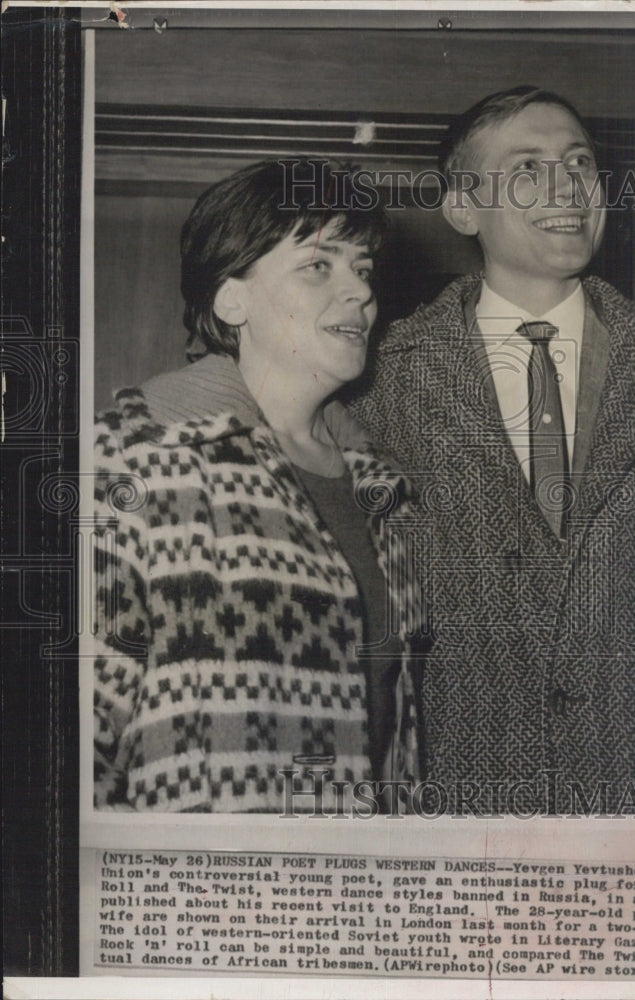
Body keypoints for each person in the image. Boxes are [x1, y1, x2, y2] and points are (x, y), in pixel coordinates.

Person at [351, 86, 635, 816]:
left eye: (579, 163)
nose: (567, 187)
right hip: (464, 826)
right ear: (463, 207)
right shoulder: (382, 384)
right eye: (528, 168)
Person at [92, 159, 421, 813]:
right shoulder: (139, 453)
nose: (359, 292)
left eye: (363, 270)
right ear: (230, 297)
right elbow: (70, 745)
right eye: (318, 265)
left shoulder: (385, 489)